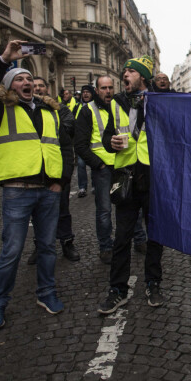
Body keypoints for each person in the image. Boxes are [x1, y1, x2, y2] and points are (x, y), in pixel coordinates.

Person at [0, 40, 73, 329]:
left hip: (49, 192)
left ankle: (47, 293)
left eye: (30, 78)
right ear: (9, 87)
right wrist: (5, 58)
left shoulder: (49, 111)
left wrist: (61, 182)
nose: (27, 82)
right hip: (17, 192)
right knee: (12, 251)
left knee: (47, 248)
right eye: (20, 79)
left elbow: (65, 149)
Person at [98, 55, 164, 314]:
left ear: (142, 77)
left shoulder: (160, 101)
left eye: (130, 71)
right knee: (122, 237)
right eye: (123, 71)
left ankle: (153, 284)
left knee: (155, 236)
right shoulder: (116, 102)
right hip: (126, 177)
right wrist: (109, 142)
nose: (124, 75)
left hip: (153, 177)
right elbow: (107, 136)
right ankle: (117, 290)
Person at [26, 76, 80, 264]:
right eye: (35, 86)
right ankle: (39, 245)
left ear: (47, 89)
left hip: (56, 171)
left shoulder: (59, 109)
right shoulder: (25, 110)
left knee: (62, 210)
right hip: (33, 171)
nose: (38, 89)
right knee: (37, 214)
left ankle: (67, 243)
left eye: (41, 86)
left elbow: (68, 128)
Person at [75, 76, 116, 264]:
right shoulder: (87, 110)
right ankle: (106, 247)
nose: (108, 91)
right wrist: (98, 164)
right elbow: (80, 145)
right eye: (103, 88)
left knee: (130, 207)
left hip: (122, 165)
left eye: (110, 87)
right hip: (103, 169)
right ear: (96, 90)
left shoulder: (118, 107)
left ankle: (138, 240)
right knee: (104, 210)